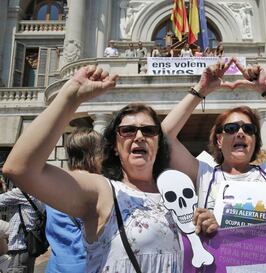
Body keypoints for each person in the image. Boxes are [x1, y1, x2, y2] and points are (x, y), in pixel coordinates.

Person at [3, 65, 217, 272]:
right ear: (114, 146)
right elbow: (20, 169)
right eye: (128, 130)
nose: (139, 136)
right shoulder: (102, 191)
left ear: (158, 143)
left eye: (149, 130)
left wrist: (208, 227)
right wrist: (70, 97)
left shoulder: (178, 192)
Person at [162, 59, 266, 215]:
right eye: (231, 128)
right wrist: (200, 90)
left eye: (248, 129)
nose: (240, 133)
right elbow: (165, 135)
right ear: (219, 140)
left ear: (255, 140)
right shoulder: (203, 176)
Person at [45, 128, 103, 273]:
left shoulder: (54, 184)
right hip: (87, 266)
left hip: (56, 266)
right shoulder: (94, 187)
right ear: (93, 154)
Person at [0, 182, 44, 273]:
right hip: (29, 246)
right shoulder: (36, 190)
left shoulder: (22, 192)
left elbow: (2, 199)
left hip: (20, 247)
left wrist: (3, 185)